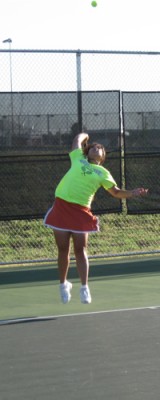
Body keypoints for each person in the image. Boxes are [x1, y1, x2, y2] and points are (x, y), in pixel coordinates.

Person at [44, 133, 148, 304]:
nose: (96, 148)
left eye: (100, 148)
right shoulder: (78, 159)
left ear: (103, 156)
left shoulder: (103, 172)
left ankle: (84, 287)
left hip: (81, 211)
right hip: (61, 207)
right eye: (93, 147)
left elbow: (115, 192)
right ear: (87, 151)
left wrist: (132, 193)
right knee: (63, 250)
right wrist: (85, 135)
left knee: (80, 250)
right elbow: (77, 140)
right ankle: (63, 285)